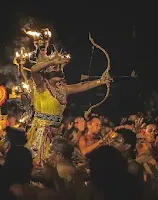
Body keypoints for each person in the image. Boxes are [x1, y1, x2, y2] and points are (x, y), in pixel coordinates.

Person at [25, 28, 112, 166]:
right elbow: (34, 70)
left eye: (60, 69)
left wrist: (100, 81)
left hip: (56, 133)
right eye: (55, 69)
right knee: (40, 164)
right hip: (41, 134)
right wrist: (51, 61)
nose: (59, 71)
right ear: (47, 73)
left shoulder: (62, 89)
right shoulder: (42, 86)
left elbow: (80, 86)